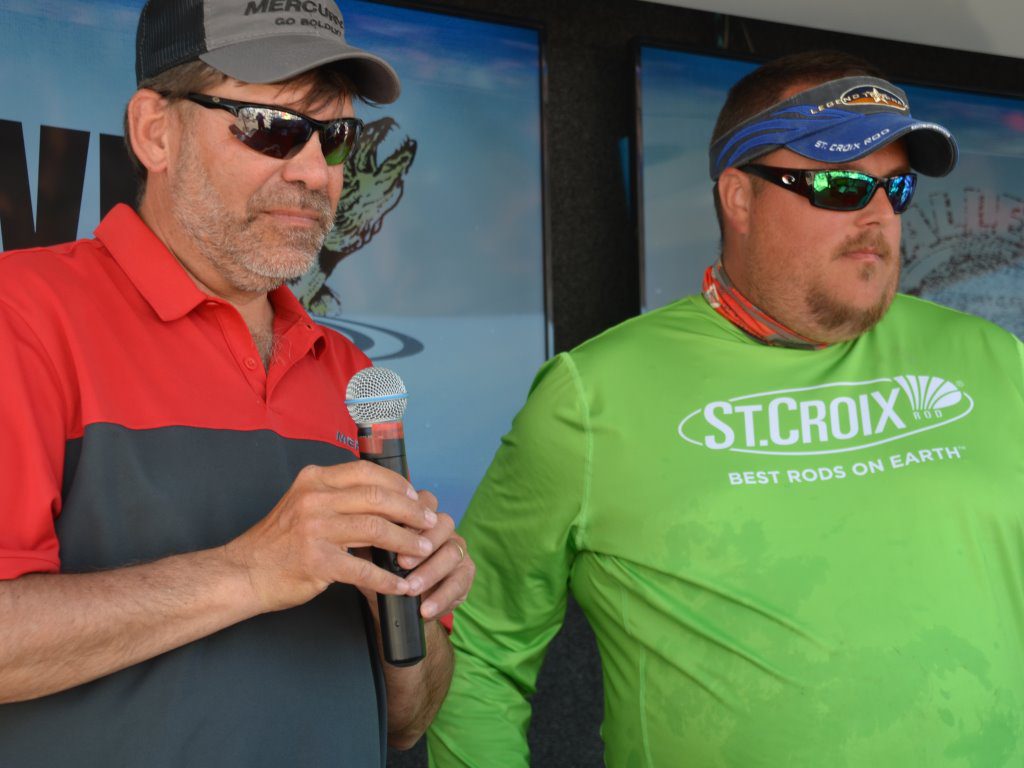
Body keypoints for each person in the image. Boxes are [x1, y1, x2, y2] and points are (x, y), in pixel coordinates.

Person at [428, 50, 1024, 767]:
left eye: (895, 188)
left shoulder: (996, 360)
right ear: (739, 199)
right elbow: (478, 653)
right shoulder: (590, 396)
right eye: (839, 185)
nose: (876, 215)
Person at [0, 1, 473, 766]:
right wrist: (251, 570)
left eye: (335, 137)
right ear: (156, 131)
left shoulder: (348, 371)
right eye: (271, 127)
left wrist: (408, 602)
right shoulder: (22, 315)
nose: (314, 172)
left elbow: (409, 719)